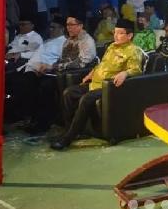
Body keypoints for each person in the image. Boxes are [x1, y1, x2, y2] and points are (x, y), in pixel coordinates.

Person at [51, 19, 143, 150]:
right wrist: (92, 73)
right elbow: (102, 64)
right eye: (115, 32)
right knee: (68, 93)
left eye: (120, 33)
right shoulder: (111, 47)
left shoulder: (133, 51)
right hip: (95, 83)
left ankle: (68, 138)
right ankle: (71, 129)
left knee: (86, 98)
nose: (116, 36)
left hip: (109, 87)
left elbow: (136, 70)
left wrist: (125, 73)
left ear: (129, 35)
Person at [5, 16, 67, 122]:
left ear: (62, 29)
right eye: (50, 27)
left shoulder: (64, 43)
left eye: (53, 27)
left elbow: (59, 60)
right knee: (7, 79)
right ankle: (12, 114)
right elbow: (35, 54)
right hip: (28, 66)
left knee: (24, 82)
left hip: (43, 70)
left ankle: (29, 117)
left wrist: (48, 67)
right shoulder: (47, 41)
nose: (50, 29)